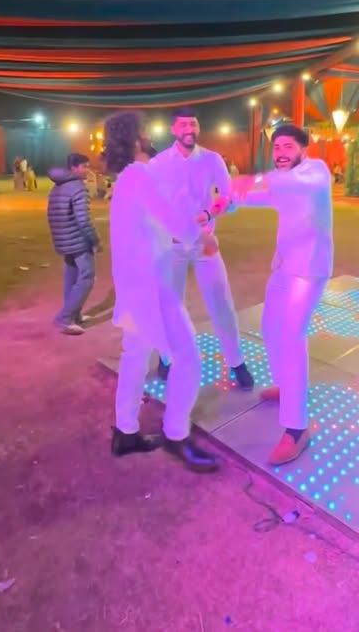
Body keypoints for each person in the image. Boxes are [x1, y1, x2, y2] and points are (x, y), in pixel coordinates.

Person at [104, 111, 219, 472]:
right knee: (188, 356)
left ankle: (126, 432)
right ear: (133, 138)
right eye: (143, 131)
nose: (148, 135)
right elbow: (171, 218)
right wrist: (203, 238)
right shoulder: (138, 175)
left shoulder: (127, 177)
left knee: (135, 355)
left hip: (134, 283)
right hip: (151, 285)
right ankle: (176, 434)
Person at [232, 123, 333, 465]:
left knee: (291, 336)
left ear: (304, 149)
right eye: (276, 147)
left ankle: (297, 428)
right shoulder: (283, 182)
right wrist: (223, 202)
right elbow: (255, 197)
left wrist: (254, 178)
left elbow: (287, 184)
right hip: (284, 266)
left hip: (309, 269)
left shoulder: (316, 172)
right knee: (269, 329)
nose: (281, 153)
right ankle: (287, 388)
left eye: (288, 146)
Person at [148, 107, 253, 390]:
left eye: (193, 124)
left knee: (221, 303)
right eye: (183, 125)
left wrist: (210, 214)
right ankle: (167, 357)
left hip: (204, 243)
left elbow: (228, 196)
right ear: (173, 129)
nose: (189, 130)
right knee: (169, 305)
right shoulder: (158, 164)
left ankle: (236, 361)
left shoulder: (211, 159)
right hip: (171, 245)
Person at [47, 153, 101, 335]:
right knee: (87, 276)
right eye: (84, 166)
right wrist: (94, 240)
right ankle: (65, 318)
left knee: (71, 277)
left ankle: (74, 315)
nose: (87, 170)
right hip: (78, 240)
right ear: (73, 168)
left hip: (64, 239)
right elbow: (83, 220)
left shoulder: (57, 186)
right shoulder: (77, 187)